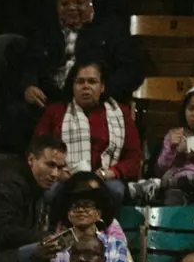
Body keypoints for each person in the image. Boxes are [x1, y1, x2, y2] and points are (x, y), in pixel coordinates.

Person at [0, 0, 142, 150]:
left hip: (95, 100)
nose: (72, 8)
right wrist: (28, 86)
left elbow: (132, 70)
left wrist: (101, 90)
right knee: (16, 113)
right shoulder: (45, 31)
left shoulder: (111, 30)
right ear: (57, 7)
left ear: (90, 4)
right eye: (65, 4)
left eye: (79, 3)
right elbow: (28, 63)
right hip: (48, 99)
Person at [33, 63, 142, 202]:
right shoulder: (55, 111)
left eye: (92, 81)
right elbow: (38, 149)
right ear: (72, 86)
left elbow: (134, 157)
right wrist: (57, 170)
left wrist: (113, 172)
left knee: (116, 190)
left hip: (105, 179)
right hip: (65, 178)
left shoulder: (120, 113)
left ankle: (107, 224)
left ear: (102, 87)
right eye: (80, 82)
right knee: (50, 192)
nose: (86, 86)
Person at [34, 173, 130, 262]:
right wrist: (40, 261)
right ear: (68, 214)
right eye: (75, 206)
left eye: (87, 205)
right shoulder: (58, 246)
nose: (80, 210)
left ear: (98, 214)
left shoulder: (115, 245)